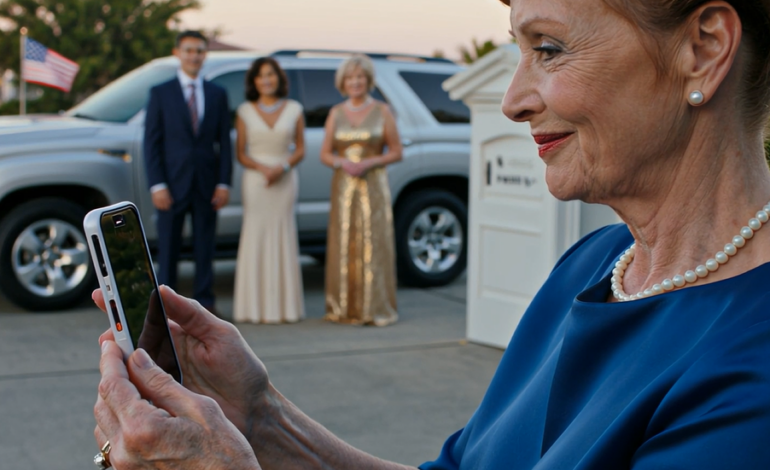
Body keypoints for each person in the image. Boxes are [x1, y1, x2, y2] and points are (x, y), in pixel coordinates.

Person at [93, 0, 770, 468]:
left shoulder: (751, 371)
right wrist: (260, 419)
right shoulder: (593, 267)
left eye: (549, 49)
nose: (512, 99)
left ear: (703, 48)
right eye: (519, 51)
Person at [143, 30, 232, 316]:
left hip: (206, 183)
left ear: (205, 55)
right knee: (168, 246)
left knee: (205, 246)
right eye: (189, 50)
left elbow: (224, 143)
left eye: (199, 51)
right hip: (171, 183)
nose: (194, 55)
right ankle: (165, 304)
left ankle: (204, 302)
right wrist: (157, 184)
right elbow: (152, 142)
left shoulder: (217, 94)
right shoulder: (160, 93)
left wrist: (223, 182)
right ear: (177, 53)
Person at [320, 54, 402, 327]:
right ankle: (342, 307)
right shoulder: (335, 113)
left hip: (373, 185)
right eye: (350, 77)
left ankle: (374, 308)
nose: (355, 82)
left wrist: (370, 162)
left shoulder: (382, 111)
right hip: (343, 186)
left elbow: (396, 151)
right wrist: (341, 162)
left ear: (368, 80)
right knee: (344, 243)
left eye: (360, 77)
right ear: (343, 82)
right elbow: (324, 153)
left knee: (373, 243)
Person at [232, 58, 306, 323]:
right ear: (254, 81)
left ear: (279, 78)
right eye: (261, 75)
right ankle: (253, 308)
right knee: (255, 235)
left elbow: (300, 149)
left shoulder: (295, 109)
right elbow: (241, 153)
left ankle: (284, 309)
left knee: (283, 234)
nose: (266, 80)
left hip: (284, 181)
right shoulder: (244, 111)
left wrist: (282, 167)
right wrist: (263, 168)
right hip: (256, 181)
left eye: (271, 75)